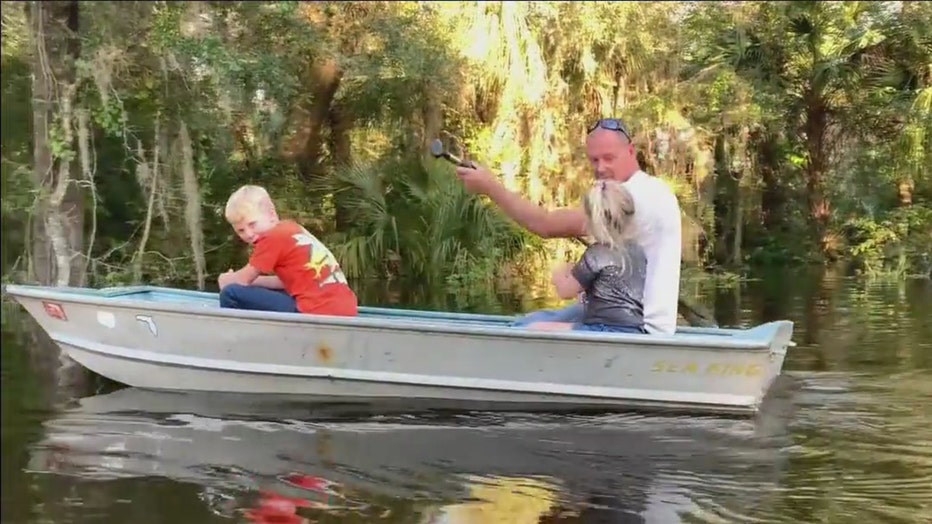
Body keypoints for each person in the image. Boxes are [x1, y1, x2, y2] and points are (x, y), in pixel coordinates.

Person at [455, 118, 681, 335]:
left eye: (609, 158)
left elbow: (544, 225)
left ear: (631, 152)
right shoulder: (654, 189)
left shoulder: (630, 199)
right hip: (619, 312)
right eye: (594, 160)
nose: (600, 168)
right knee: (532, 320)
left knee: (526, 329)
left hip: (638, 326)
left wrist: (489, 187)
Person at [217, 185, 358, 317]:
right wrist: (249, 281)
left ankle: (241, 339)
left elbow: (242, 281)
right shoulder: (293, 229)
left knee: (230, 293)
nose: (248, 234)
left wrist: (226, 279)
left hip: (315, 310)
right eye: (241, 230)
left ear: (272, 215)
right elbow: (285, 282)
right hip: (345, 308)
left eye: (252, 224)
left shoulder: (272, 237)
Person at [527, 180, 647, 334]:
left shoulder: (596, 254)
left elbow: (565, 292)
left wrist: (560, 273)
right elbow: (615, 289)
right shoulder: (638, 251)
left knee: (533, 327)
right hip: (634, 330)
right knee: (553, 316)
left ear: (592, 219)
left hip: (604, 330)